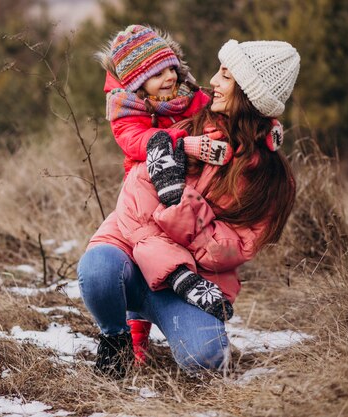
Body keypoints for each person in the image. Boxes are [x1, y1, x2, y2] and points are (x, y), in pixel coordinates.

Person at [78, 38, 300, 377]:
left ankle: (171, 318)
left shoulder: (270, 179)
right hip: (134, 259)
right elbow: (135, 196)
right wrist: (179, 258)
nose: (212, 80)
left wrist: (174, 199)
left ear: (248, 92)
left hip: (192, 287)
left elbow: (231, 248)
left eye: (225, 75)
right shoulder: (188, 130)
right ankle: (116, 338)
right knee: (97, 268)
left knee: (206, 361)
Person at [95, 24, 234, 178]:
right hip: (156, 177)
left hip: (197, 166)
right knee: (142, 175)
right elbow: (136, 142)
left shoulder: (188, 93)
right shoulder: (127, 112)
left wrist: (212, 130)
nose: (170, 77)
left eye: (172, 69)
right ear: (138, 83)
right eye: (158, 74)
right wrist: (183, 143)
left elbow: (211, 111)